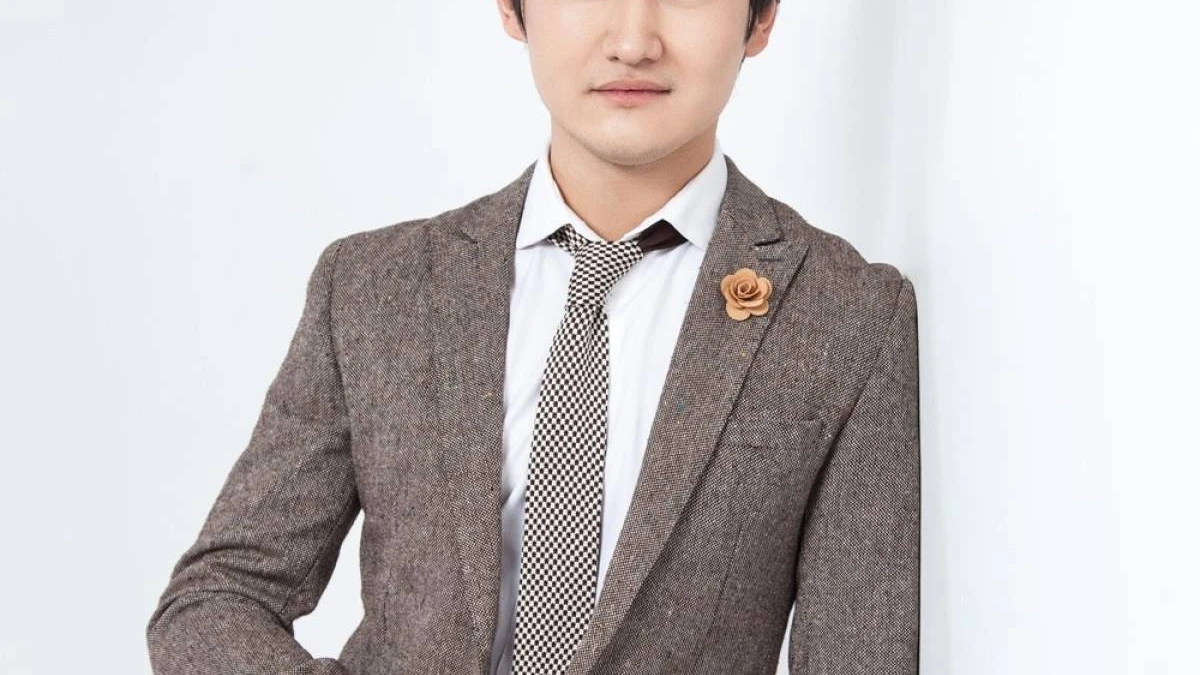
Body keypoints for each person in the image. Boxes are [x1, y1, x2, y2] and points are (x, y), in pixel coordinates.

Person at [146, 0, 921, 673]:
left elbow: (861, 654)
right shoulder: (376, 288)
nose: (633, 41)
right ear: (512, 9)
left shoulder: (850, 313)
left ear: (761, 17)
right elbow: (218, 596)